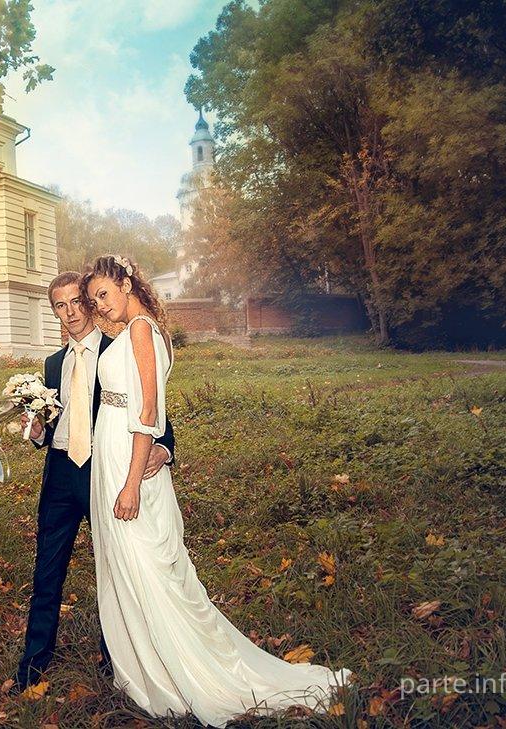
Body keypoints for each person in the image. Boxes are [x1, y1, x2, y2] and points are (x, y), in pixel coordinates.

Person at [81, 254, 353, 728]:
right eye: (93, 300)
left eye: (103, 294)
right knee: (129, 568)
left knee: (149, 571)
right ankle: (149, 667)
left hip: (128, 463)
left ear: (126, 283)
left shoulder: (141, 330)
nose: (99, 306)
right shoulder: (131, 331)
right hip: (112, 457)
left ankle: (182, 675)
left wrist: (131, 484)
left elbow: (148, 413)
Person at [11, 270, 177, 693]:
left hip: (104, 472)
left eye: (76, 302)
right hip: (60, 474)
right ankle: (33, 664)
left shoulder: (116, 348)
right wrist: (37, 432)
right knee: (47, 571)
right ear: (54, 312)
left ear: (88, 303)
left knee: (115, 566)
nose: (70, 312)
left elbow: (151, 406)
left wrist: (165, 448)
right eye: (60, 306)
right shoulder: (52, 364)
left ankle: (115, 659)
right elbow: (52, 423)